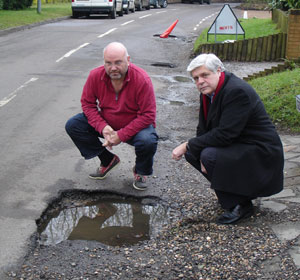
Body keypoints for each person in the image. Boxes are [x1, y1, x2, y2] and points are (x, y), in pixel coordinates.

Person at [172, 53, 284, 224]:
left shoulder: (236, 91)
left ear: (218, 71)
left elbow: (225, 134)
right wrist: (195, 149)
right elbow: (203, 128)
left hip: (261, 152)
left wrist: (188, 145)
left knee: (208, 155)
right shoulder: (209, 92)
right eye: (195, 78)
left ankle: (242, 204)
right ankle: (234, 196)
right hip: (240, 145)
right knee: (194, 153)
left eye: (204, 75)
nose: (199, 81)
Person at [65, 42, 158, 191]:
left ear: (128, 60)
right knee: (74, 125)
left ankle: (141, 171)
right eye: (108, 63)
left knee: (148, 140)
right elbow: (88, 104)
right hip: (107, 121)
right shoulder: (95, 76)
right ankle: (108, 160)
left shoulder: (142, 79)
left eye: (118, 62)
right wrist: (102, 127)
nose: (113, 68)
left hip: (135, 125)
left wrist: (121, 135)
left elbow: (148, 115)